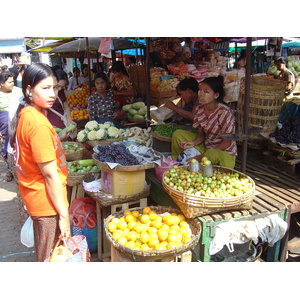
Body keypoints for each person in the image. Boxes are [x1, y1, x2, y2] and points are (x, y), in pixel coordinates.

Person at [9, 63, 70, 262]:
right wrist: (63, 215)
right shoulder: (37, 123)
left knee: (48, 256)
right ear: (28, 89)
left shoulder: (27, 114)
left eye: (55, 88)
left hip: (39, 199)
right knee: (49, 258)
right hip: (47, 204)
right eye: (45, 88)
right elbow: (50, 174)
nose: (52, 94)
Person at [171, 75, 237, 169]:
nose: (201, 94)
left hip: (223, 153)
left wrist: (199, 157)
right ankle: (178, 164)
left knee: (212, 153)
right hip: (206, 146)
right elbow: (201, 135)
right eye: (200, 90)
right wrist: (193, 143)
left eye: (206, 92)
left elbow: (227, 143)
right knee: (178, 134)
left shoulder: (224, 113)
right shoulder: (200, 109)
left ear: (216, 95)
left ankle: (194, 162)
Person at [0, 71, 23, 181]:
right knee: (6, 149)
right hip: (4, 126)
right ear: (1, 83)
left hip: (19, 123)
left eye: (13, 81)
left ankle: (18, 169)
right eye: (9, 82)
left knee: (18, 147)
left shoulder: (19, 92)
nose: (12, 84)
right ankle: (10, 169)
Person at [47, 70, 76, 139]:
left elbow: (66, 107)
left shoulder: (60, 91)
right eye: (58, 86)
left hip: (63, 125)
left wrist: (69, 120)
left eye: (62, 87)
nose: (59, 89)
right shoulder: (47, 93)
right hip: (51, 128)